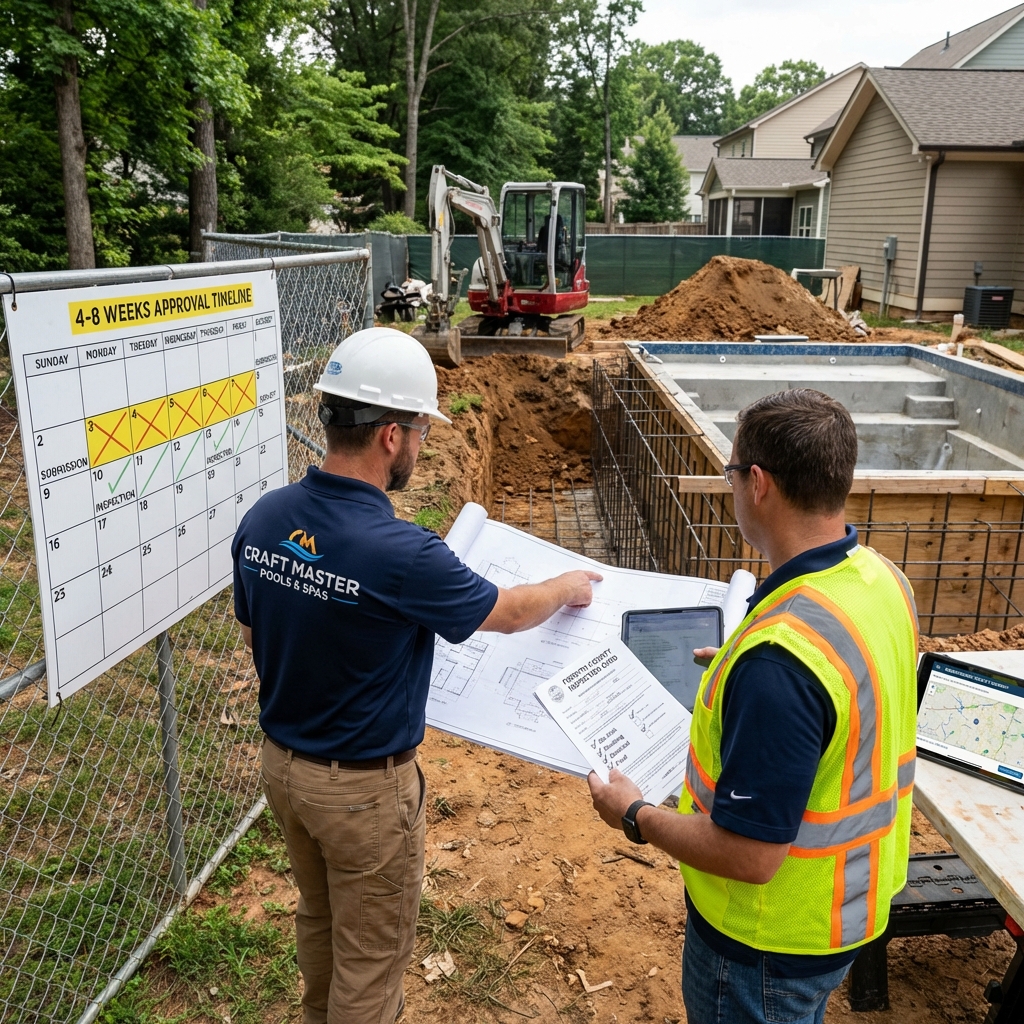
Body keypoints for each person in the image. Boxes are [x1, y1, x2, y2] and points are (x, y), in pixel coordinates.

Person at [232, 327, 601, 1024]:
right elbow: (510, 611)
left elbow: (256, 631)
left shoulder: (266, 516)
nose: (426, 444)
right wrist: (567, 586)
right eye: (423, 431)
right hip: (362, 796)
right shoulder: (399, 553)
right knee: (370, 963)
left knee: (319, 918)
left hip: (283, 769)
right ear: (392, 438)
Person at [588, 389, 918, 1024]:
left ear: (757, 483)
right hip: (850, 910)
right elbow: (848, 701)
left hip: (765, 947)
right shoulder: (879, 578)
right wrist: (752, 670)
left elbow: (749, 855)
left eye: (732, 473)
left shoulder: (782, 662)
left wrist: (633, 814)